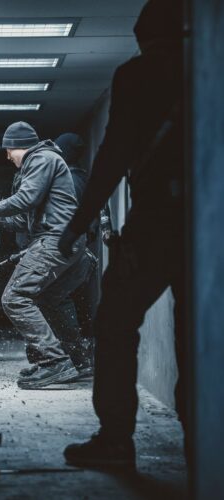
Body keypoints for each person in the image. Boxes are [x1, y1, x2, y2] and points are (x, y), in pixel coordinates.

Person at [58, 0, 185, 468]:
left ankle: (115, 440)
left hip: (156, 222)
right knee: (198, 337)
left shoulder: (137, 77)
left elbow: (113, 157)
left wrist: (77, 226)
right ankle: (204, 443)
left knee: (113, 323)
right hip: (208, 226)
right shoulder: (207, 69)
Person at [0, 121, 94, 389]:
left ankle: (55, 362)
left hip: (56, 240)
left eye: (8, 151)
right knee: (50, 300)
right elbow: (24, 221)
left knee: (15, 298)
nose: (7, 157)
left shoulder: (43, 158)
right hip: (64, 240)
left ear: (16, 146)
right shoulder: (42, 163)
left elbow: (27, 198)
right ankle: (77, 362)